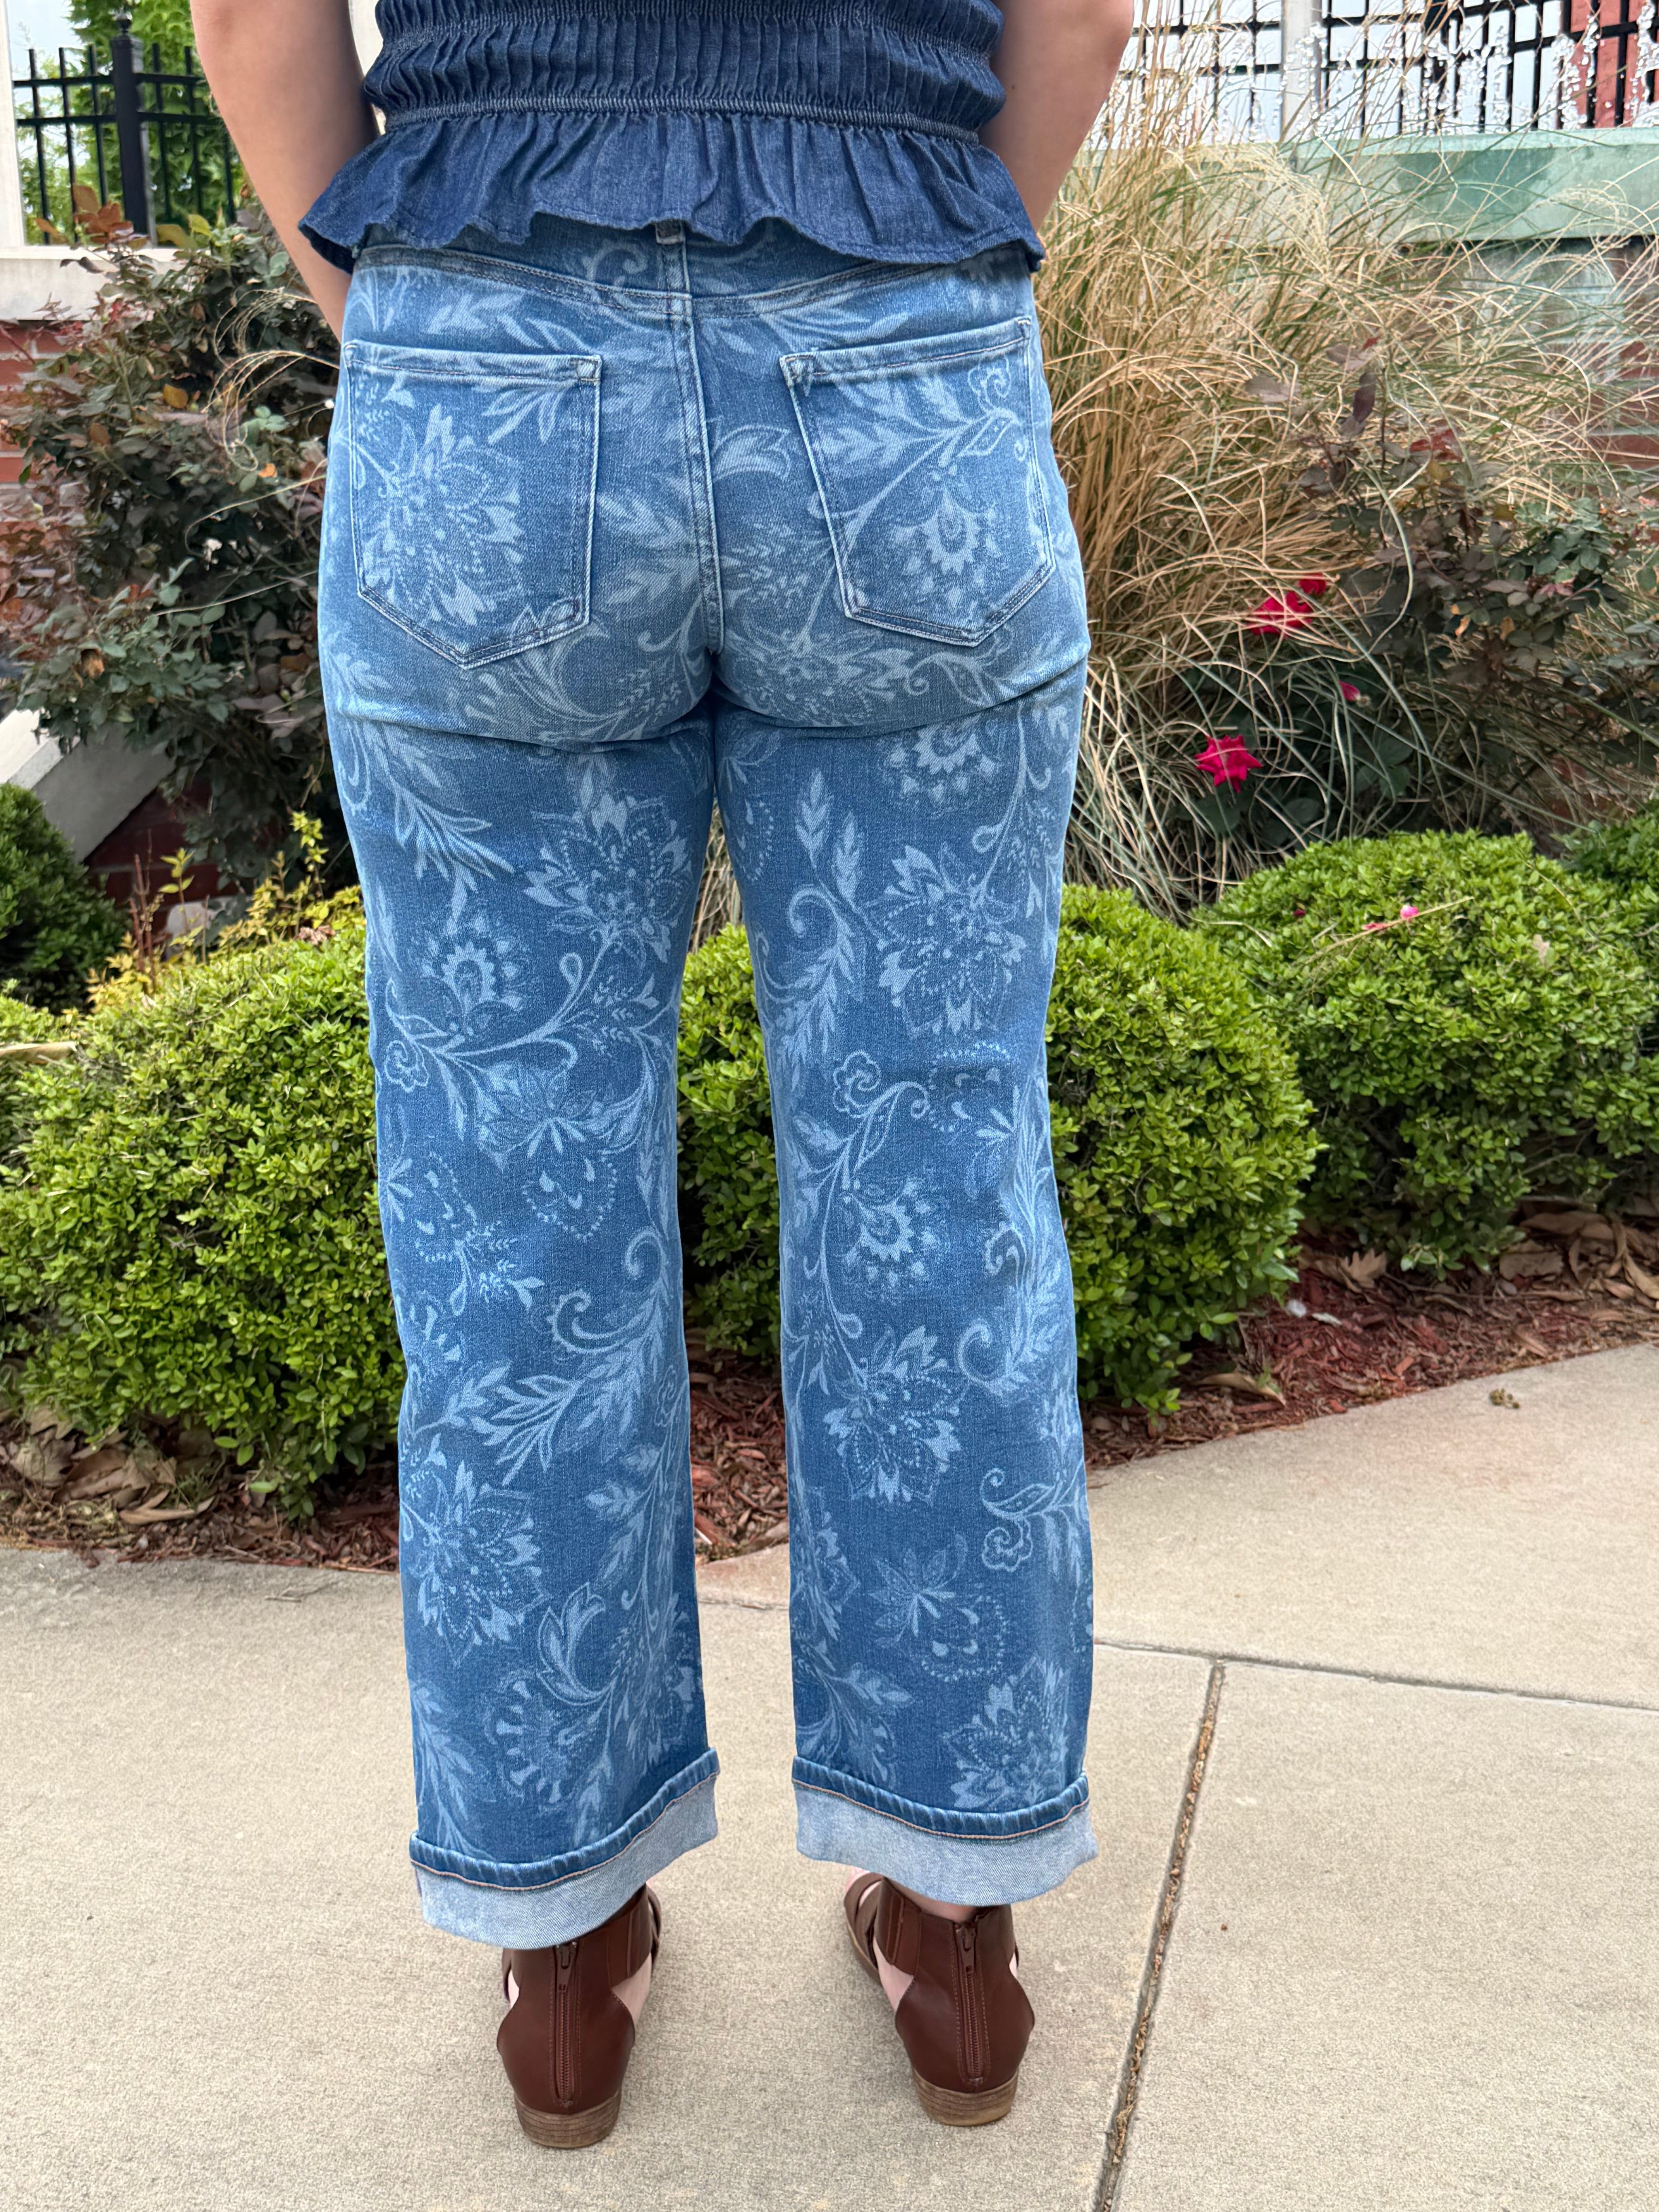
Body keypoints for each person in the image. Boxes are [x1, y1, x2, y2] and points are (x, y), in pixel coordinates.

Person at [192, 0, 1132, 2147]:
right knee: (938, 1179)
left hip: (486, 364)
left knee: (508, 1205)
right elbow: (1077, 15)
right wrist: (918, 275)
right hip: (895, 347)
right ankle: (959, 1920)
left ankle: (563, 1942)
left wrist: (427, 318)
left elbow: (253, 19)